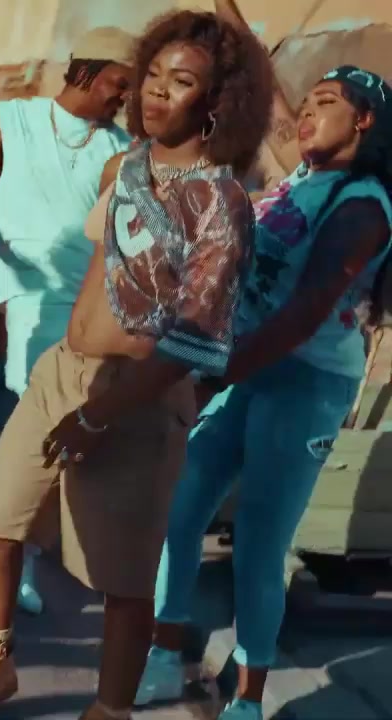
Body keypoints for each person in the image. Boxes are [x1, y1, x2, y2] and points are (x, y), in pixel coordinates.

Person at [0, 11, 273, 720]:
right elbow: (101, 269)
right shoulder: (125, 166)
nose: (156, 91)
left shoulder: (220, 203)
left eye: (181, 82)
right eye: (153, 74)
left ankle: (109, 710)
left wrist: (100, 413)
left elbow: (195, 344)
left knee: (124, 584)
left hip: (139, 400)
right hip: (62, 372)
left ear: (217, 101)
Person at [136, 65, 392, 720]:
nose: (306, 113)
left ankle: (248, 702)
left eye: (326, 103)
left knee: (258, 541)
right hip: (245, 365)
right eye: (305, 103)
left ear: (364, 120)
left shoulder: (361, 207)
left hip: (305, 381)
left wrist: (210, 376)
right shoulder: (300, 176)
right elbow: (276, 102)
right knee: (180, 510)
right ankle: (164, 655)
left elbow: (303, 316)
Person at [0, 26, 138, 624]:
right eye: (118, 83)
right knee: (45, 444)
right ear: (86, 70)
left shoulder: (120, 148)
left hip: (90, 305)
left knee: (61, 449)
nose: (123, 96)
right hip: (30, 299)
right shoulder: (13, 119)